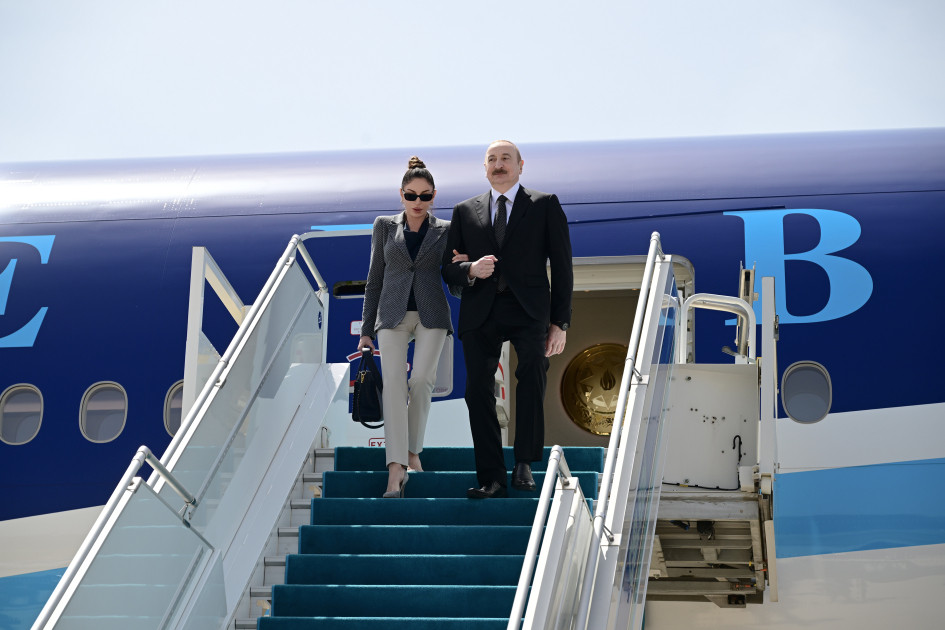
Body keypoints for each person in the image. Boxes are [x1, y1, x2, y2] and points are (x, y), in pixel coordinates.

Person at [442, 140, 573, 499]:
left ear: (520, 165)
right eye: (492, 159)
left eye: (505, 159)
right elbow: (448, 270)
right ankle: (492, 477)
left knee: (532, 372)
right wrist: (471, 268)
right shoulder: (464, 211)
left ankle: (524, 462)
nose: (498, 164)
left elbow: (563, 267)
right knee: (476, 391)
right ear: (484, 168)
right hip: (481, 310)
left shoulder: (545, 204)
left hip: (528, 309)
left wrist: (560, 322)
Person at [359, 156, 459, 498]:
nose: (418, 202)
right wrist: (366, 330)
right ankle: (396, 468)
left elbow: (454, 280)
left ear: (434, 196)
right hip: (391, 315)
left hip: (432, 314)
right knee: (394, 386)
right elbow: (375, 279)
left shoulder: (446, 229)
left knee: (421, 381)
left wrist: (468, 270)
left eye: (425, 196)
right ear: (401, 194)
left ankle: (413, 451)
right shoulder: (384, 226)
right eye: (411, 195)